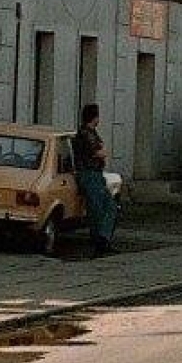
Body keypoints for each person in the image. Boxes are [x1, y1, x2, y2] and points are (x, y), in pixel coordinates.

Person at [73, 103, 118, 257]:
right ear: (94, 117)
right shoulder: (87, 134)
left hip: (95, 174)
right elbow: (98, 152)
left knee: (108, 206)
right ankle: (100, 241)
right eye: (98, 115)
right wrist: (103, 152)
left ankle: (103, 238)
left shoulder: (90, 132)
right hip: (90, 174)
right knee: (98, 209)